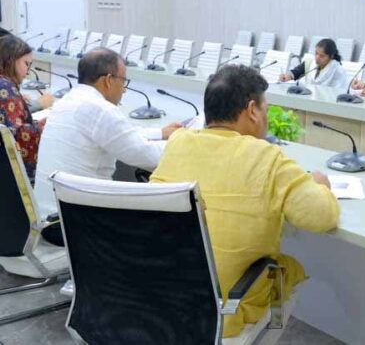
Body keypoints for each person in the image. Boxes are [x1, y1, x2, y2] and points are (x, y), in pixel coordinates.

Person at [150, 64, 340, 338]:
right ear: (252, 110)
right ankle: (270, 332)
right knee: (285, 270)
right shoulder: (267, 157)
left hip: (164, 295)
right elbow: (322, 217)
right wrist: (322, 186)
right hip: (224, 312)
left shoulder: (178, 143)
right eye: (266, 109)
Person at [34, 48, 181, 245]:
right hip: (75, 224)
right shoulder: (100, 110)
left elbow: (117, 135)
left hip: (50, 217)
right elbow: (144, 155)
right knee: (165, 221)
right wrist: (185, 143)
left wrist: (160, 133)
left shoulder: (69, 100)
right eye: (123, 81)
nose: (124, 90)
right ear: (109, 80)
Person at [0, 35, 51, 181]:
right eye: (26, 64)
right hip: (10, 177)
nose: (28, 71)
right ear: (11, 60)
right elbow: (19, 136)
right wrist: (49, 122)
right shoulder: (5, 86)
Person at [279, 38, 347, 88]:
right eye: (316, 53)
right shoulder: (311, 62)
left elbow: (337, 92)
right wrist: (288, 76)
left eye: (322, 56)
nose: (317, 58)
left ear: (331, 57)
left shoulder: (338, 71)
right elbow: (297, 72)